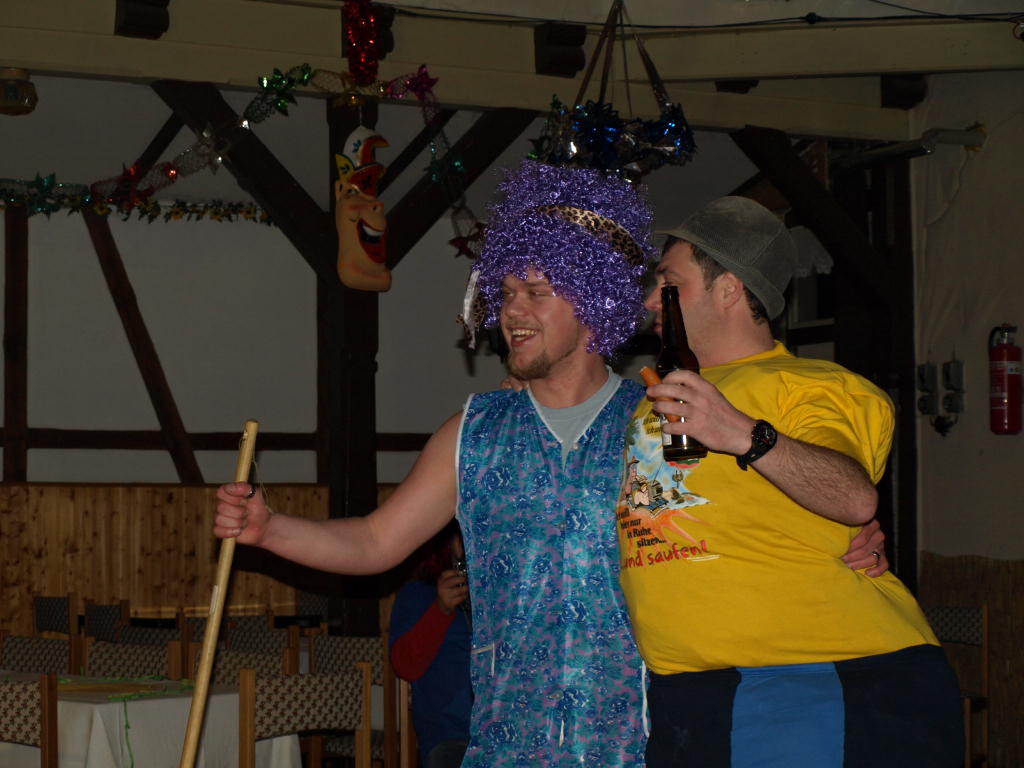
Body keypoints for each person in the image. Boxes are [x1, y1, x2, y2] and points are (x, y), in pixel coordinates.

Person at [214, 161, 889, 766]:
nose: (512, 311)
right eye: (506, 293)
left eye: (536, 292)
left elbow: (749, 531)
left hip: (643, 746)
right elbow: (372, 541)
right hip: (507, 747)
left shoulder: (662, 423)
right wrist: (271, 530)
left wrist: (852, 538)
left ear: (594, 304)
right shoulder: (473, 433)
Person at [621, 195, 963, 767]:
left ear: (729, 289)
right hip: (692, 690)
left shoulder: (812, 384)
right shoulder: (656, 395)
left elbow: (853, 495)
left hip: (816, 676)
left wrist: (742, 433)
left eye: (669, 283)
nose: (653, 300)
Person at [389, 521, 472, 768]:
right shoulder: (418, 594)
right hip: (451, 738)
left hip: (507, 733)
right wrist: (441, 610)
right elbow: (404, 666)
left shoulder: (506, 595)